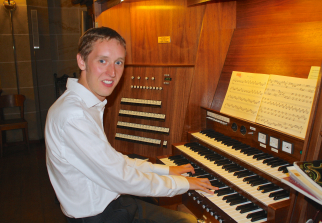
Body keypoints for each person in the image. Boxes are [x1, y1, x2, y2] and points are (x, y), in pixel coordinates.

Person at [45, 27, 217, 223]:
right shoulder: (74, 116)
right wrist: (183, 184)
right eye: (102, 61)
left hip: (114, 205)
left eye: (119, 62)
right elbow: (122, 177)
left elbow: (113, 161)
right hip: (100, 217)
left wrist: (165, 170)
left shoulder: (84, 105)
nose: (112, 72)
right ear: (81, 61)